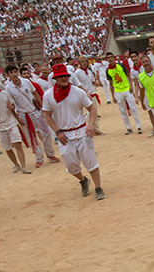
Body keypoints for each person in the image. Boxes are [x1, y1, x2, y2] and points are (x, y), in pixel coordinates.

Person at [42, 64, 104, 200]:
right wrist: (57, 131)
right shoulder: (48, 96)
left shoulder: (78, 92)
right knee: (71, 166)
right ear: (55, 79)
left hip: (82, 131)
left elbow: (92, 109)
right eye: (60, 76)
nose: (64, 78)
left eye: (65, 75)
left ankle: (98, 187)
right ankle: (83, 180)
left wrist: (91, 125)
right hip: (64, 135)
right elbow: (46, 114)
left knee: (91, 162)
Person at [5, 65, 60, 167]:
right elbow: (12, 105)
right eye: (11, 73)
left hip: (36, 111)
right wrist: (18, 118)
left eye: (15, 71)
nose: (14, 74)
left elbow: (35, 94)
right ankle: (39, 158)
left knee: (46, 133)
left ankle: (50, 154)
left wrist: (42, 108)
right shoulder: (8, 88)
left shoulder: (26, 82)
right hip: (24, 115)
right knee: (32, 138)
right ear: (8, 75)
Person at [0, 72, 31, 174]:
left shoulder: (4, 93)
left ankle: (23, 166)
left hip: (11, 122)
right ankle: (16, 165)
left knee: (18, 144)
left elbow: (12, 106)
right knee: (7, 147)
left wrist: (11, 108)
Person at [105, 51, 142, 135]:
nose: (110, 59)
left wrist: (131, 86)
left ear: (113, 57)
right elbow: (111, 84)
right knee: (123, 110)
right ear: (107, 60)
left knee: (133, 108)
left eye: (111, 57)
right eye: (108, 58)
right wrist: (113, 96)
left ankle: (138, 126)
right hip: (118, 91)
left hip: (126, 89)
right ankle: (128, 127)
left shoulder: (120, 65)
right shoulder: (108, 70)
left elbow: (128, 75)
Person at [74, 56, 104, 135]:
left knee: (94, 112)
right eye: (82, 61)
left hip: (92, 94)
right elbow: (78, 85)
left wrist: (98, 84)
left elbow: (92, 82)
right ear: (79, 63)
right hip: (84, 95)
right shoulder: (77, 73)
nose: (84, 63)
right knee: (88, 113)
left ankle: (96, 129)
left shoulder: (89, 71)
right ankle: (88, 129)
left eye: (85, 61)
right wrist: (86, 93)